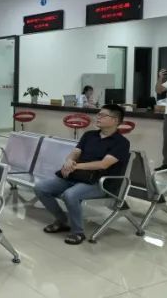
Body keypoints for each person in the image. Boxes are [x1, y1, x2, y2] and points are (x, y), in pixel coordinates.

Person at [33, 104, 131, 245]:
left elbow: (103, 164)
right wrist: (69, 161)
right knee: (41, 188)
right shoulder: (89, 135)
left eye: (103, 115)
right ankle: (62, 220)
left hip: (100, 183)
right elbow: (76, 152)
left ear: (115, 120)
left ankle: (77, 232)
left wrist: (75, 166)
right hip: (77, 176)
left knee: (70, 195)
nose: (98, 117)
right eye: (98, 114)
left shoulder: (121, 143)